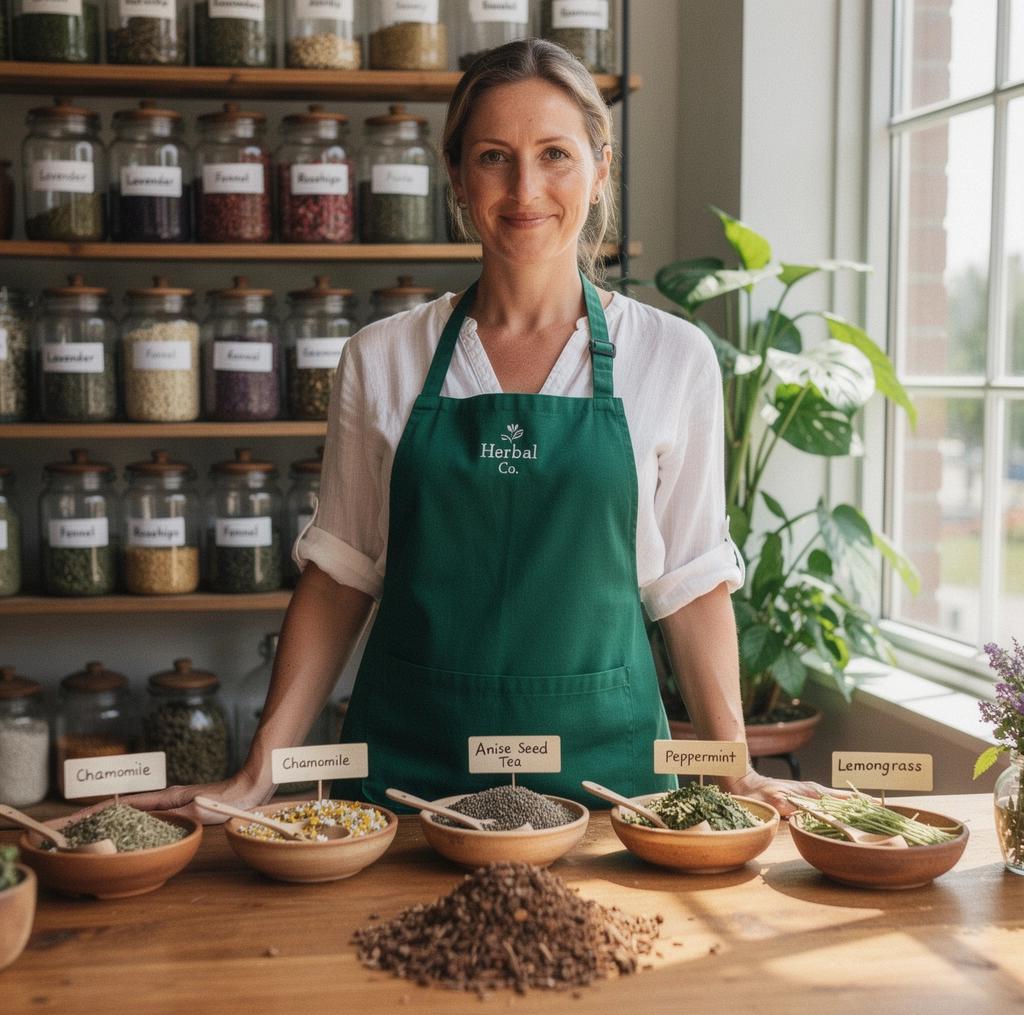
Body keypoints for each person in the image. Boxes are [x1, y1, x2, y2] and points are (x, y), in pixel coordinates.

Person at [137, 39, 828, 822]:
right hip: (409, 783)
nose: (525, 189)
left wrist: (737, 773)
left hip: (609, 788)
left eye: (555, 154)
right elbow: (338, 578)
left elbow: (693, 585)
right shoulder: (381, 357)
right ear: (457, 176)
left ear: (601, 167)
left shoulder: (672, 356)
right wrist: (256, 774)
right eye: (494, 157)